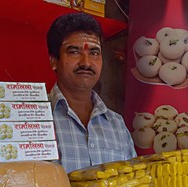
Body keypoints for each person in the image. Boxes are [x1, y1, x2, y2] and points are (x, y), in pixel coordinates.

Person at [46, 12, 137, 173]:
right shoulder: (33, 120)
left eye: (94, 53)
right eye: (74, 52)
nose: (86, 63)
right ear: (54, 61)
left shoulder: (116, 125)